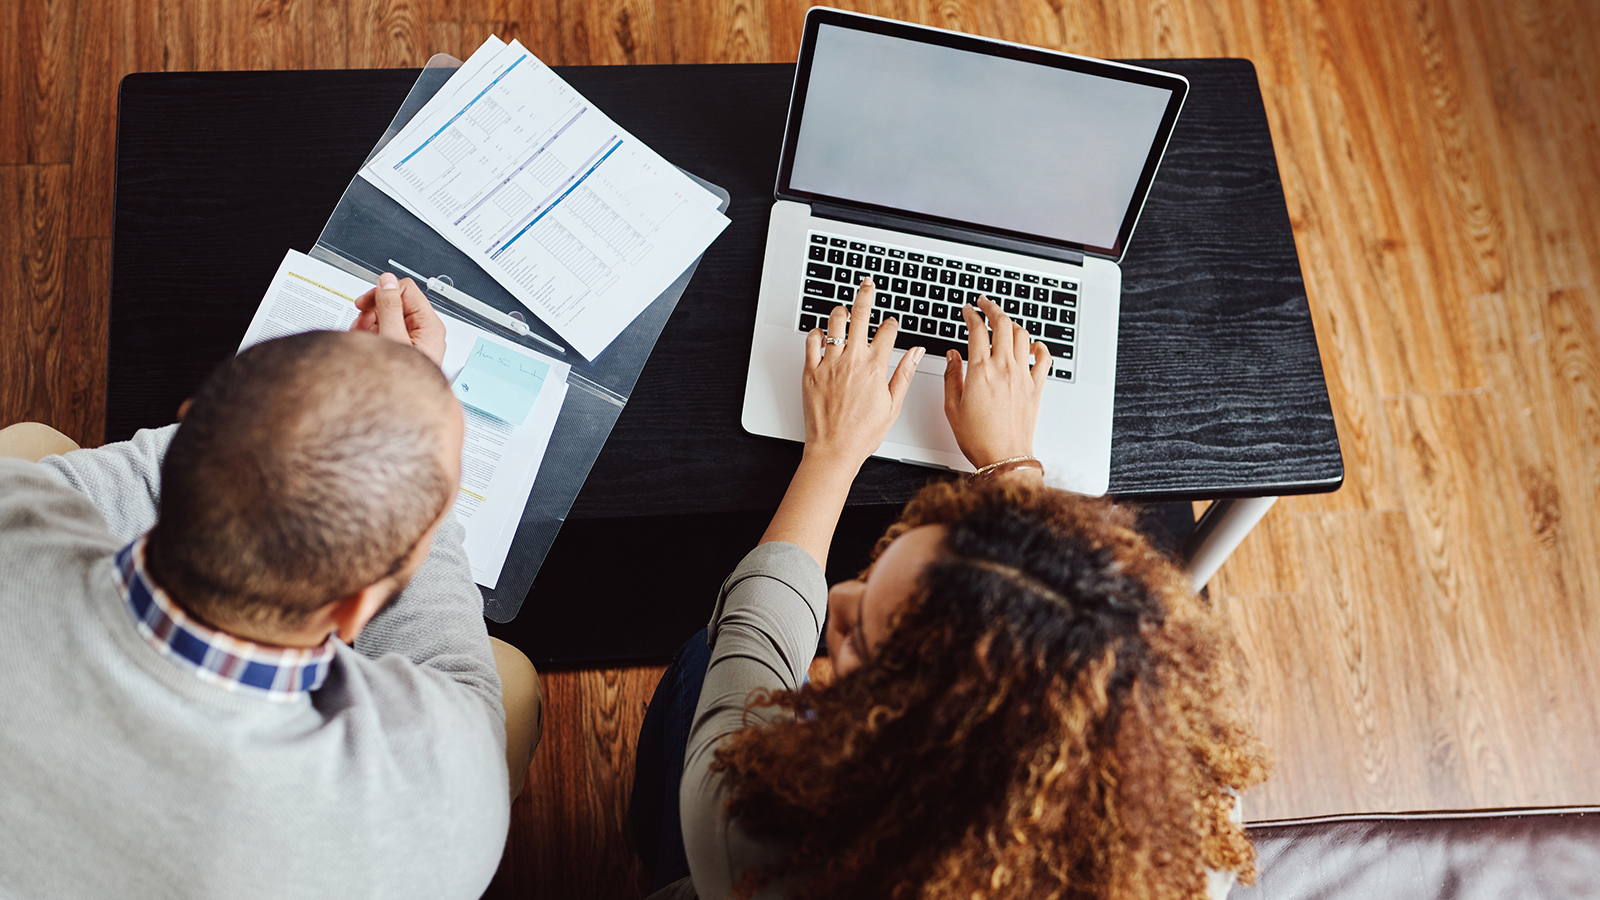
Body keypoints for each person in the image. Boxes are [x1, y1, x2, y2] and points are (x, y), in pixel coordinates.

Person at [631, 279, 1271, 899]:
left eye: (865, 639)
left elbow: (756, 627)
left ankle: (640, 842)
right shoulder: (1186, 834)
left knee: (699, 660)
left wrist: (831, 453)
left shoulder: (757, 838)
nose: (841, 602)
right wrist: (1012, 469)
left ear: (926, 756)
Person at [0, 275, 542, 898]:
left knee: (28, 445)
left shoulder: (17, 514)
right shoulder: (434, 787)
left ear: (192, 419)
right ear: (357, 608)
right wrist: (412, 486)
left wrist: (278, 423)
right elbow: (461, 684)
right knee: (511, 683)